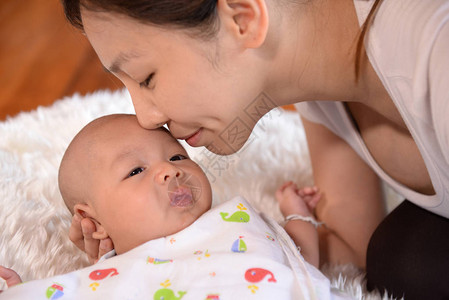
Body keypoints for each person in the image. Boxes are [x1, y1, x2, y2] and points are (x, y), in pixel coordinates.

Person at [60, 0, 449, 299]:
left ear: (243, 17)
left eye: (147, 78)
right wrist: (146, 254)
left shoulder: (437, 50)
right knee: (401, 257)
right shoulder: (321, 90)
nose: (146, 118)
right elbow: (354, 249)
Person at [1, 114, 347, 299]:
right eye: (136, 170)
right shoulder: (105, 279)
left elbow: (297, 257)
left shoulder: (234, 222)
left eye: (177, 155)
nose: (170, 169)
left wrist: (297, 213)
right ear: (94, 222)